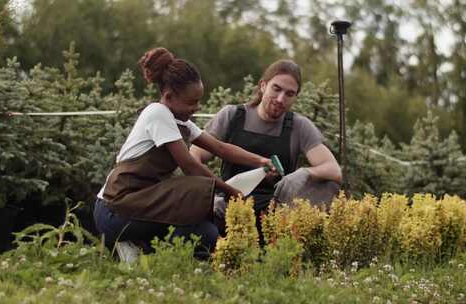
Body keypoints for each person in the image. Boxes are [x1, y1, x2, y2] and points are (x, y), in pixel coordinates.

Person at [93, 47, 273, 261]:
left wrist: (260, 161)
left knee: (205, 232)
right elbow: (189, 166)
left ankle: (158, 258)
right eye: (191, 102)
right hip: (116, 209)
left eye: (199, 101)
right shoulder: (157, 113)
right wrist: (230, 191)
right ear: (168, 96)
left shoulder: (181, 122)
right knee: (194, 189)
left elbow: (221, 148)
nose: (196, 107)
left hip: (143, 203)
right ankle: (129, 241)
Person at [190, 59, 342, 238]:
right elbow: (194, 155)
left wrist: (304, 174)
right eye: (276, 89)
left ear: (295, 97)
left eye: (289, 94)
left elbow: (334, 170)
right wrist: (210, 196)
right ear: (263, 85)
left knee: (329, 186)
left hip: (276, 213)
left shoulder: (299, 126)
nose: (280, 99)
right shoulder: (232, 116)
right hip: (227, 208)